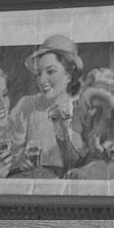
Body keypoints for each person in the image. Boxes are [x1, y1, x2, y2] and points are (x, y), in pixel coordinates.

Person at [9, 34, 87, 176]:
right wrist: (18, 162)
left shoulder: (82, 108)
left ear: (69, 74)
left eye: (50, 71)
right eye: (39, 73)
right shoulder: (26, 106)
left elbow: (84, 164)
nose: (42, 80)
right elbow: (8, 153)